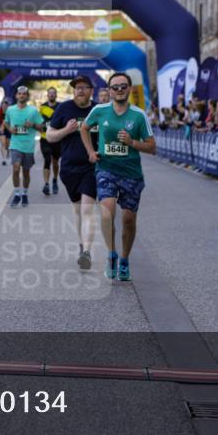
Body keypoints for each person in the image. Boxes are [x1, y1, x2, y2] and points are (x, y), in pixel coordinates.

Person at [80, 72, 155, 281]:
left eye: (123, 86)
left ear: (129, 88)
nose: (119, 90)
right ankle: (111, 254)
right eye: (115, 87)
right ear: (109, 90)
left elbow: (152, 147)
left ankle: (124, 259)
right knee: (107, 214)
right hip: (106, 169)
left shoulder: (138, 115)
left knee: (128, 220)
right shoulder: (99, 111)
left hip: (131, 173)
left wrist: (132, 142)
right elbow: (84, 128)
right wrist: (91, 152)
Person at [46, 75, 98, 270]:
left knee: (87, 209)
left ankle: (87, 252)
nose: (80, 90)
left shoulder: (99, 110)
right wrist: (66, 130)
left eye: (84, 87)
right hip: (69, 168)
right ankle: (82, 245)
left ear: (91, 91)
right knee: (77, 211)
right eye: (77, 87)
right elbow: (50, 136)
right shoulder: (64, 108)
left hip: (92, 167)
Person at [4, 86, 44, 208]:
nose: (21, 95)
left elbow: (42, 127)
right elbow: (6, 122)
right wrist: (10, 129)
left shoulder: (33, 111)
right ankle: (17, 194)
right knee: (16, 168)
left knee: (26, 172)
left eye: (24, 94)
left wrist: (32, 125)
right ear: (16, 95)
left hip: (28, 146)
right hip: (15, 145)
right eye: (20, 93)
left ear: (27, 96)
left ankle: (25, 193)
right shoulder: (10, 110)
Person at [38, 87, 62, 196]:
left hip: (56, 138)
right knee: (47, 159)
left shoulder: (60, 107)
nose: (52, 95)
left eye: (53, 93)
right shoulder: (42, 107)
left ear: (56, 95)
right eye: (50, 93)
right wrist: (39, 126)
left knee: (55, 162)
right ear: (47, 95)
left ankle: (55, 180)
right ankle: (46, 184)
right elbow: (38, 121)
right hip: (45, 138)